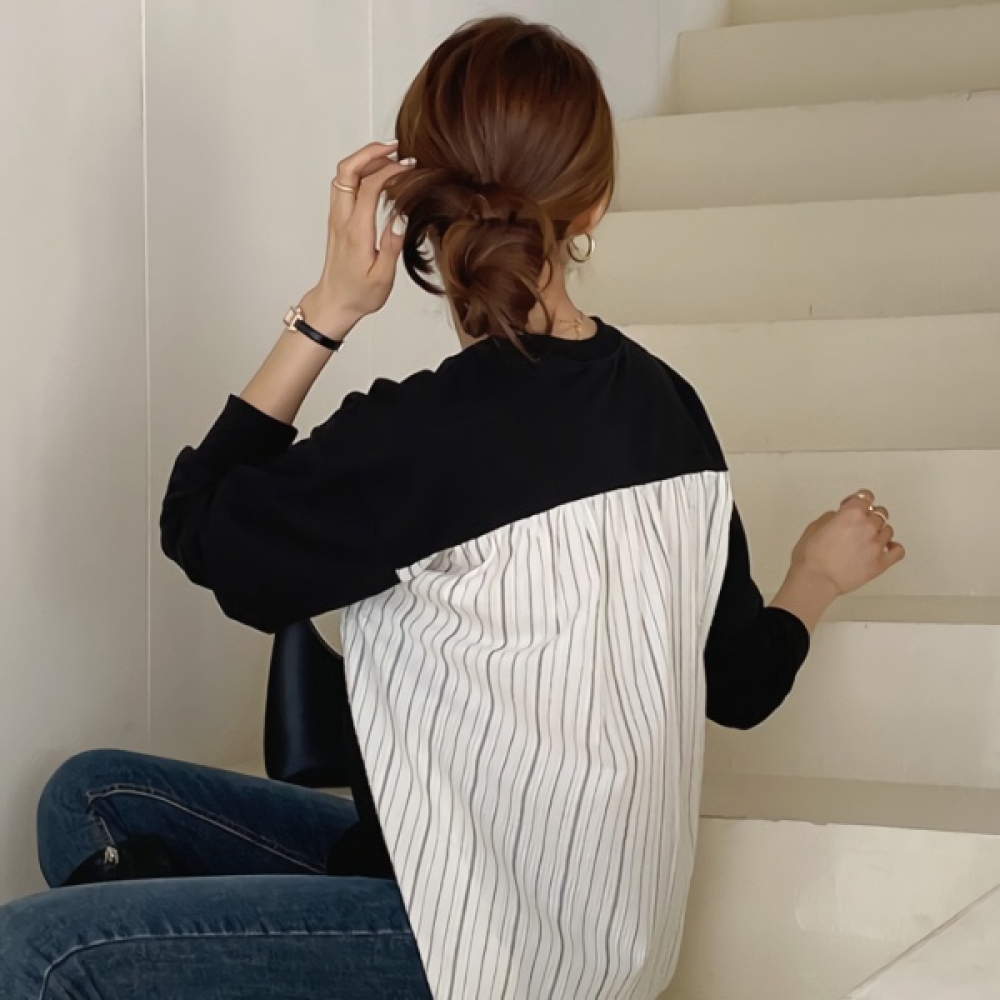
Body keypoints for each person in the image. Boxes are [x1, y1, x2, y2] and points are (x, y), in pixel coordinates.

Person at [0, 16, 905, 1000]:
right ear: (593, 203)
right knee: (90, 797)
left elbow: (201, 524)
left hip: (483, 958)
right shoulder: (667, 405)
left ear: (417, 206)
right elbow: (738, 684)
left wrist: (329, 306)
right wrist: (814, 577)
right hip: (555, 923)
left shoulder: (426, 434)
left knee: (35, 953)